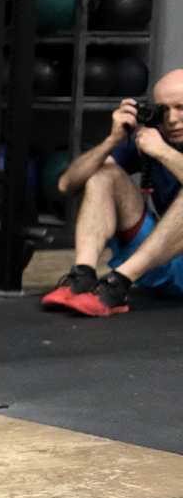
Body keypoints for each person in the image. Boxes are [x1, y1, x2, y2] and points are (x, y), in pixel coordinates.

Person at [43, 68, 183, 316]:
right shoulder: (155, 136)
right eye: (164, 110)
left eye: (181, 108)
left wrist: (161, 152)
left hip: (145, 269)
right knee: (102, 173)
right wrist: (113, 140)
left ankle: (117, 284)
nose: (171, 119)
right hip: (164, 265)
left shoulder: (158, 145)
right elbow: (67, 184)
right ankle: (82, 276)